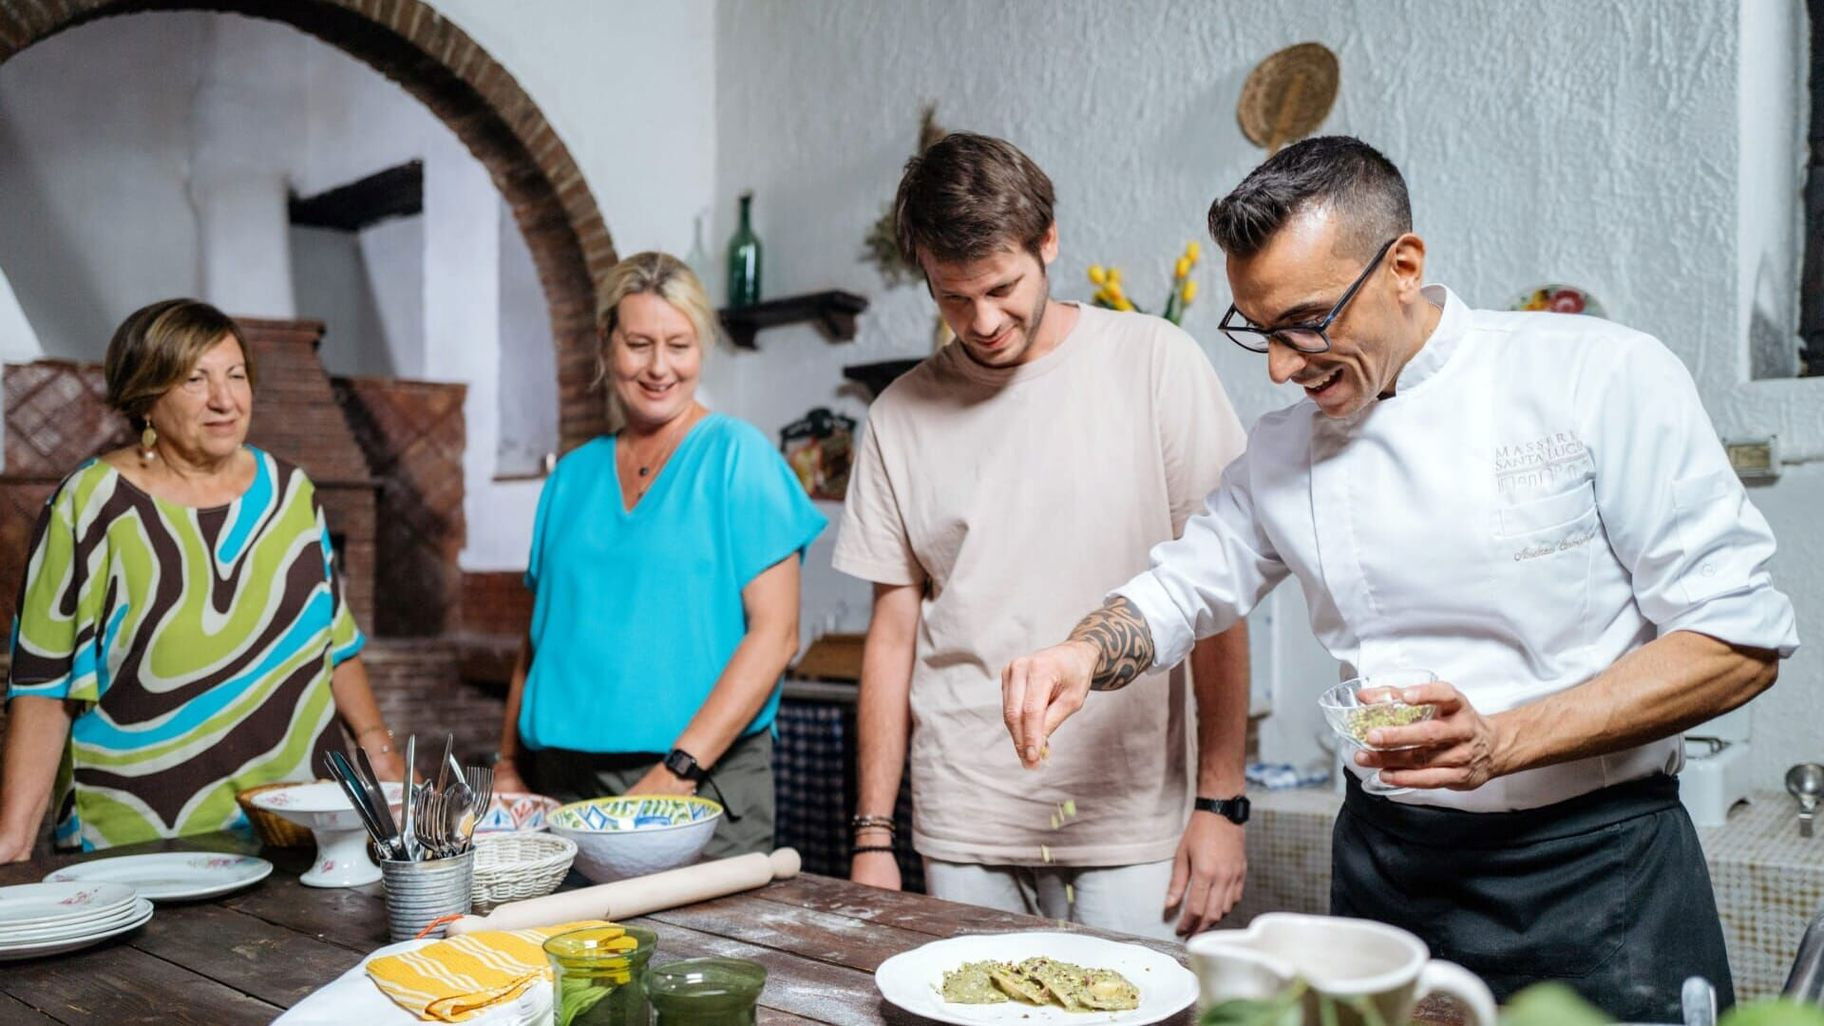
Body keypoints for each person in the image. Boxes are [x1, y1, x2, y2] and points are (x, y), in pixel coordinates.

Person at [1002, 136, 1798, 1021]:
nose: (1280, 366)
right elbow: (1183, 588)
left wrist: (1503, 740)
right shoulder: (1283, 452)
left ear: (1403, 267)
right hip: (1389, 875)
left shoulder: (1599, 375)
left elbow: (1739, 641)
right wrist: (1080, 655)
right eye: (1259, 331)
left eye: (1307, 322)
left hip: (1598, 874)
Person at [835, 132, 1254, 940]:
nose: (983, 321)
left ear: (1048, 241)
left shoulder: (1155, 363)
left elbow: (1219, 592)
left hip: (1130, 814)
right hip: (965, 816)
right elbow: (892, 636)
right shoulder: (897, 416)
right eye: (954, 298)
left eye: (1002, 287)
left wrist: (1222, 801)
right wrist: (873, 837)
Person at [1, 299, 404, 859]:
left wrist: (381, 754)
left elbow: (336, 642)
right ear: (146, 395)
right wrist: (14, 841)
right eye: (195, 380)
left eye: (236, 376)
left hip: (300, 821)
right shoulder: (90, 504)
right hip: (144, 836)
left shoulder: (290, 493)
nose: (224, 400)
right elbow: (44, 684)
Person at [492, 251, 826, 859]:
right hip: (559, 788)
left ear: (701, 349)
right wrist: (508, 763)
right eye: (639, 344)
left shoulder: (738, 457)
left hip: (698, 786)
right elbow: (538, 640)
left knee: (701, 929)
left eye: (679, 345)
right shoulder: (570, 477)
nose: (659, 367)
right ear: (606, 342)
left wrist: (677, 771)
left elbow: (776, 636)